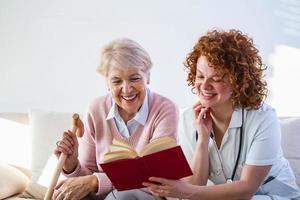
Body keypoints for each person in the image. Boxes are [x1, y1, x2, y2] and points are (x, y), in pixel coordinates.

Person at [143, 29, 300, 199]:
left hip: (276, 195)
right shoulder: (189, 119)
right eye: (200, 76)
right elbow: (196, 187)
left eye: (216, 79)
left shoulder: (263, 118)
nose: (204, 85)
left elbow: (247, 189)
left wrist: (184, 190)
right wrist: (202, 140)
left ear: (238, 81)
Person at [53, 38, 179, 200]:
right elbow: (87, 178)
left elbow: (153, 172)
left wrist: (95, 181)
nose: (127, 89)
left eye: (134, 78)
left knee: (123, 196)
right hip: (105, 196)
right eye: (117, 81)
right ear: (107, 83)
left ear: (148, 76)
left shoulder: (165, 109)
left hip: (145, 195)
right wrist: (71, 165)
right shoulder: (96, 109)